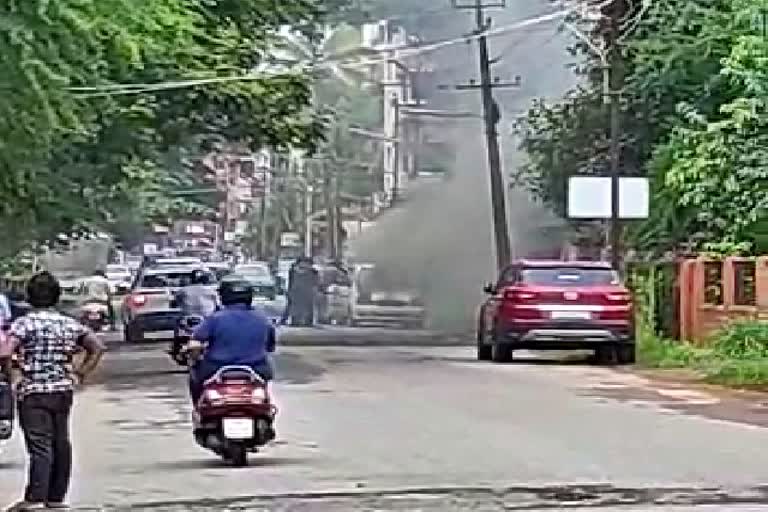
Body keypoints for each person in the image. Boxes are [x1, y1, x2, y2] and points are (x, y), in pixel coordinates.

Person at [1, 271, 105, 511]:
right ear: (57, 297)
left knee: (39, 444)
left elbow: (5, 352)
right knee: (61, 442)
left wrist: (13, 376)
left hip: (33, 391)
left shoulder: (24, 323)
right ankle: (56, 497)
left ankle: (35, 497)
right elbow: (96, 347)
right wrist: (79, 374)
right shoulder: (69, 323)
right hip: (62, 390)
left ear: (29, 298)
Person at [187, 277, 276, 407]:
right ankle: (264, 408)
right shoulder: (262, 319)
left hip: (215, 368)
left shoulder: (215, 319)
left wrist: (193, 357)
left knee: (194, 376)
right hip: (257, 368)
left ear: (223, 297)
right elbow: (270, 346)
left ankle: (199, 409)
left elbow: (195, 343)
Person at [287, 257, 319, 327]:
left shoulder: (313, 271)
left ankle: (303, 321)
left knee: (305, 307)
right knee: (297, 307)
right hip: (299, 291)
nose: (305, 265)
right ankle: (297, 321)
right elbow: (291, 281)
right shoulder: (294, 270)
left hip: (303, 291)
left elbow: (315, 282)